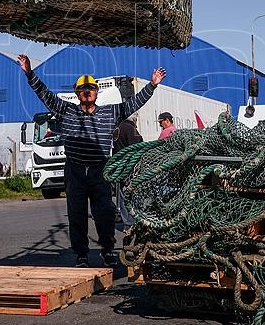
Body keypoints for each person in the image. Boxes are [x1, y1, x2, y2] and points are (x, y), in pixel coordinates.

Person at [17, 56, 165, 267]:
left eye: (91, 89)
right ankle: (82, 255)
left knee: (104, 213)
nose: (87, 92)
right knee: (77, 215)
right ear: (77, 94)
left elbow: (133, 104)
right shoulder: (66, 111)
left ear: (96, 93)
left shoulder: (110, 112)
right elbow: (45, 95)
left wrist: (151, 85)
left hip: (100, 171)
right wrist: (30, 74)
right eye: (83, 89)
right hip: (75, 171)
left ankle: (107, 250)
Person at [112, 115, 144, 226]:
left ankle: (127, 222)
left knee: (122, 194)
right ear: (134, 119)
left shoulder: (118, 128)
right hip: (130, 167)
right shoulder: (130, 129)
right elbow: (138, 145)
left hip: (120, 167)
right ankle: (133, 222)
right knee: (132, 194)